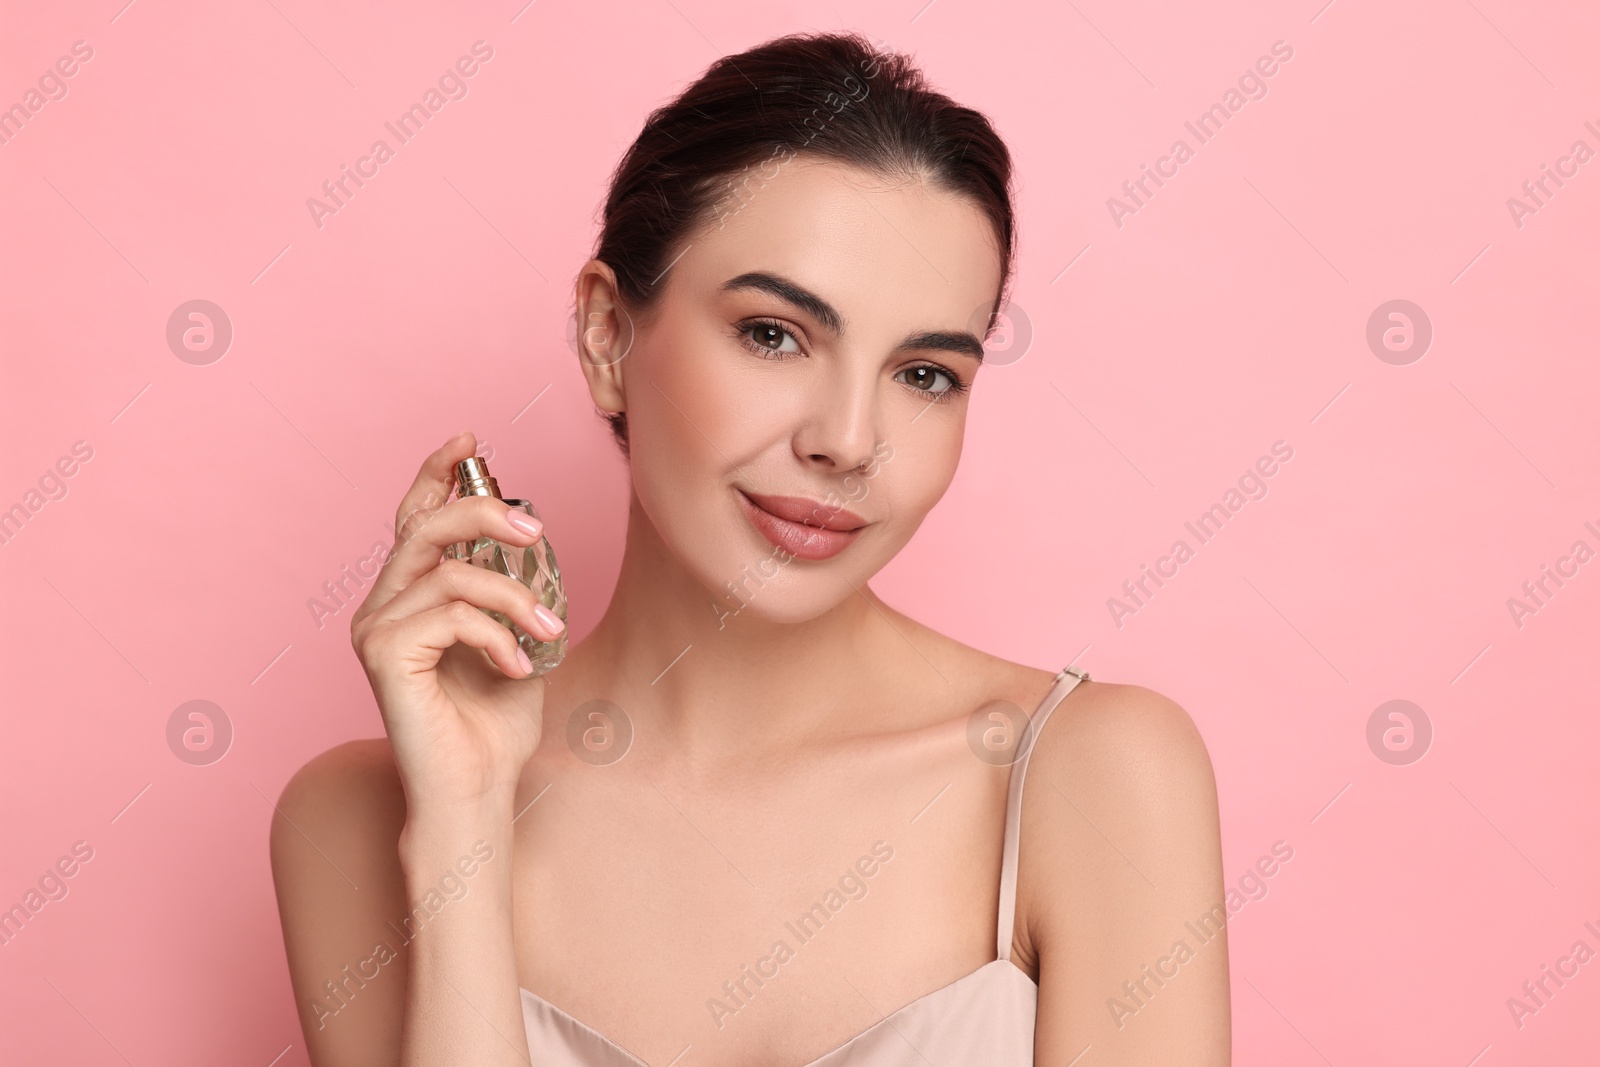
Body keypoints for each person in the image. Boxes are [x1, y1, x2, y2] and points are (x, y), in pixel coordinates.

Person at [270, 30, 1229, 1067]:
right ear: (605, 336)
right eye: (775, 333)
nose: (848, 440)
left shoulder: (1091, 775)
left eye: (925, 374)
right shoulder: (360, 819)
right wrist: (461, 828)